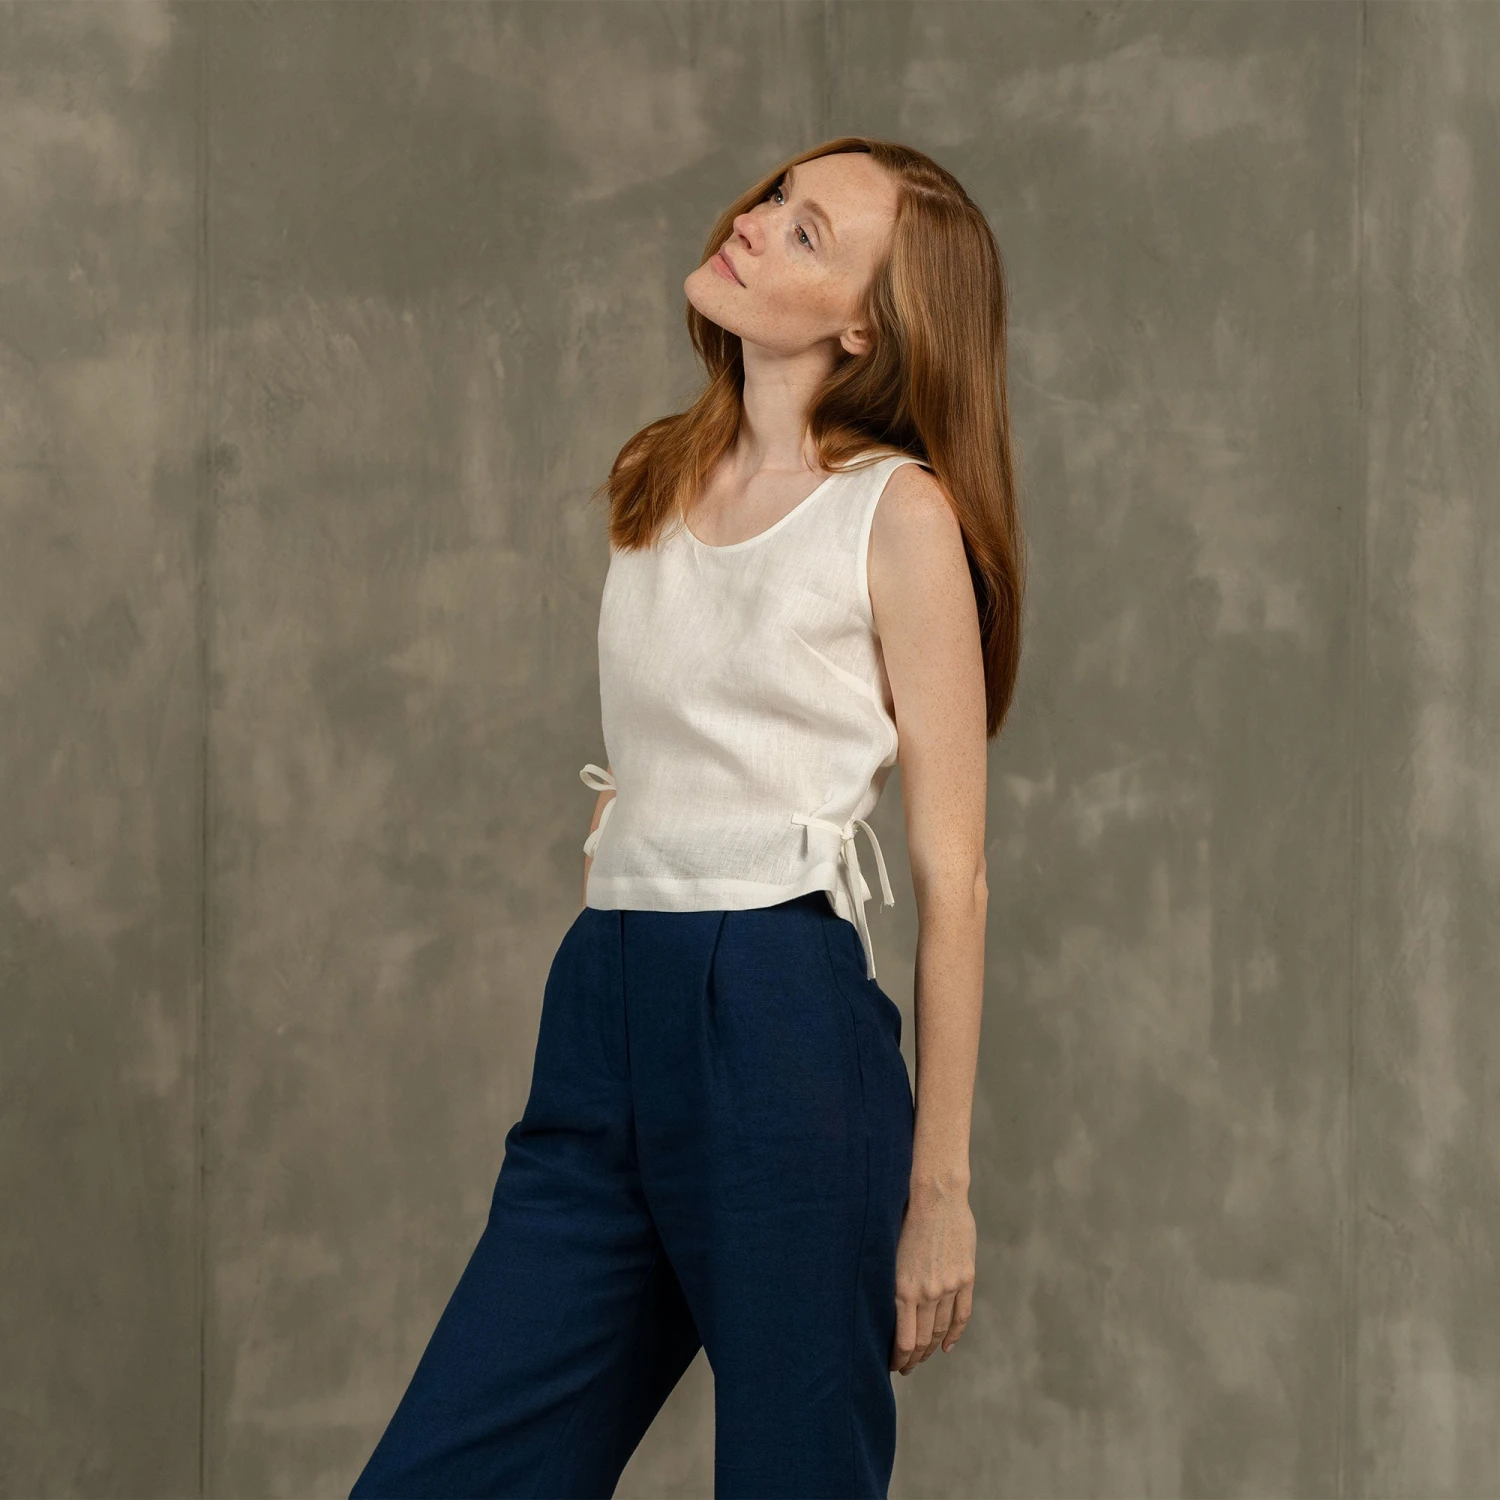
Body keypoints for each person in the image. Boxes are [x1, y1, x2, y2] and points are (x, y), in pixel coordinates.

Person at [350, 134, 1025, 1500]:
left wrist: (939, 1191)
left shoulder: (895, 517)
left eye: (810, 232)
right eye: (779, 195)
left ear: (865, 327)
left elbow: (953, 875)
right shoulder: (658, 477)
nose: (759, 221)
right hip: (606, 1001)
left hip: (778, 1017)